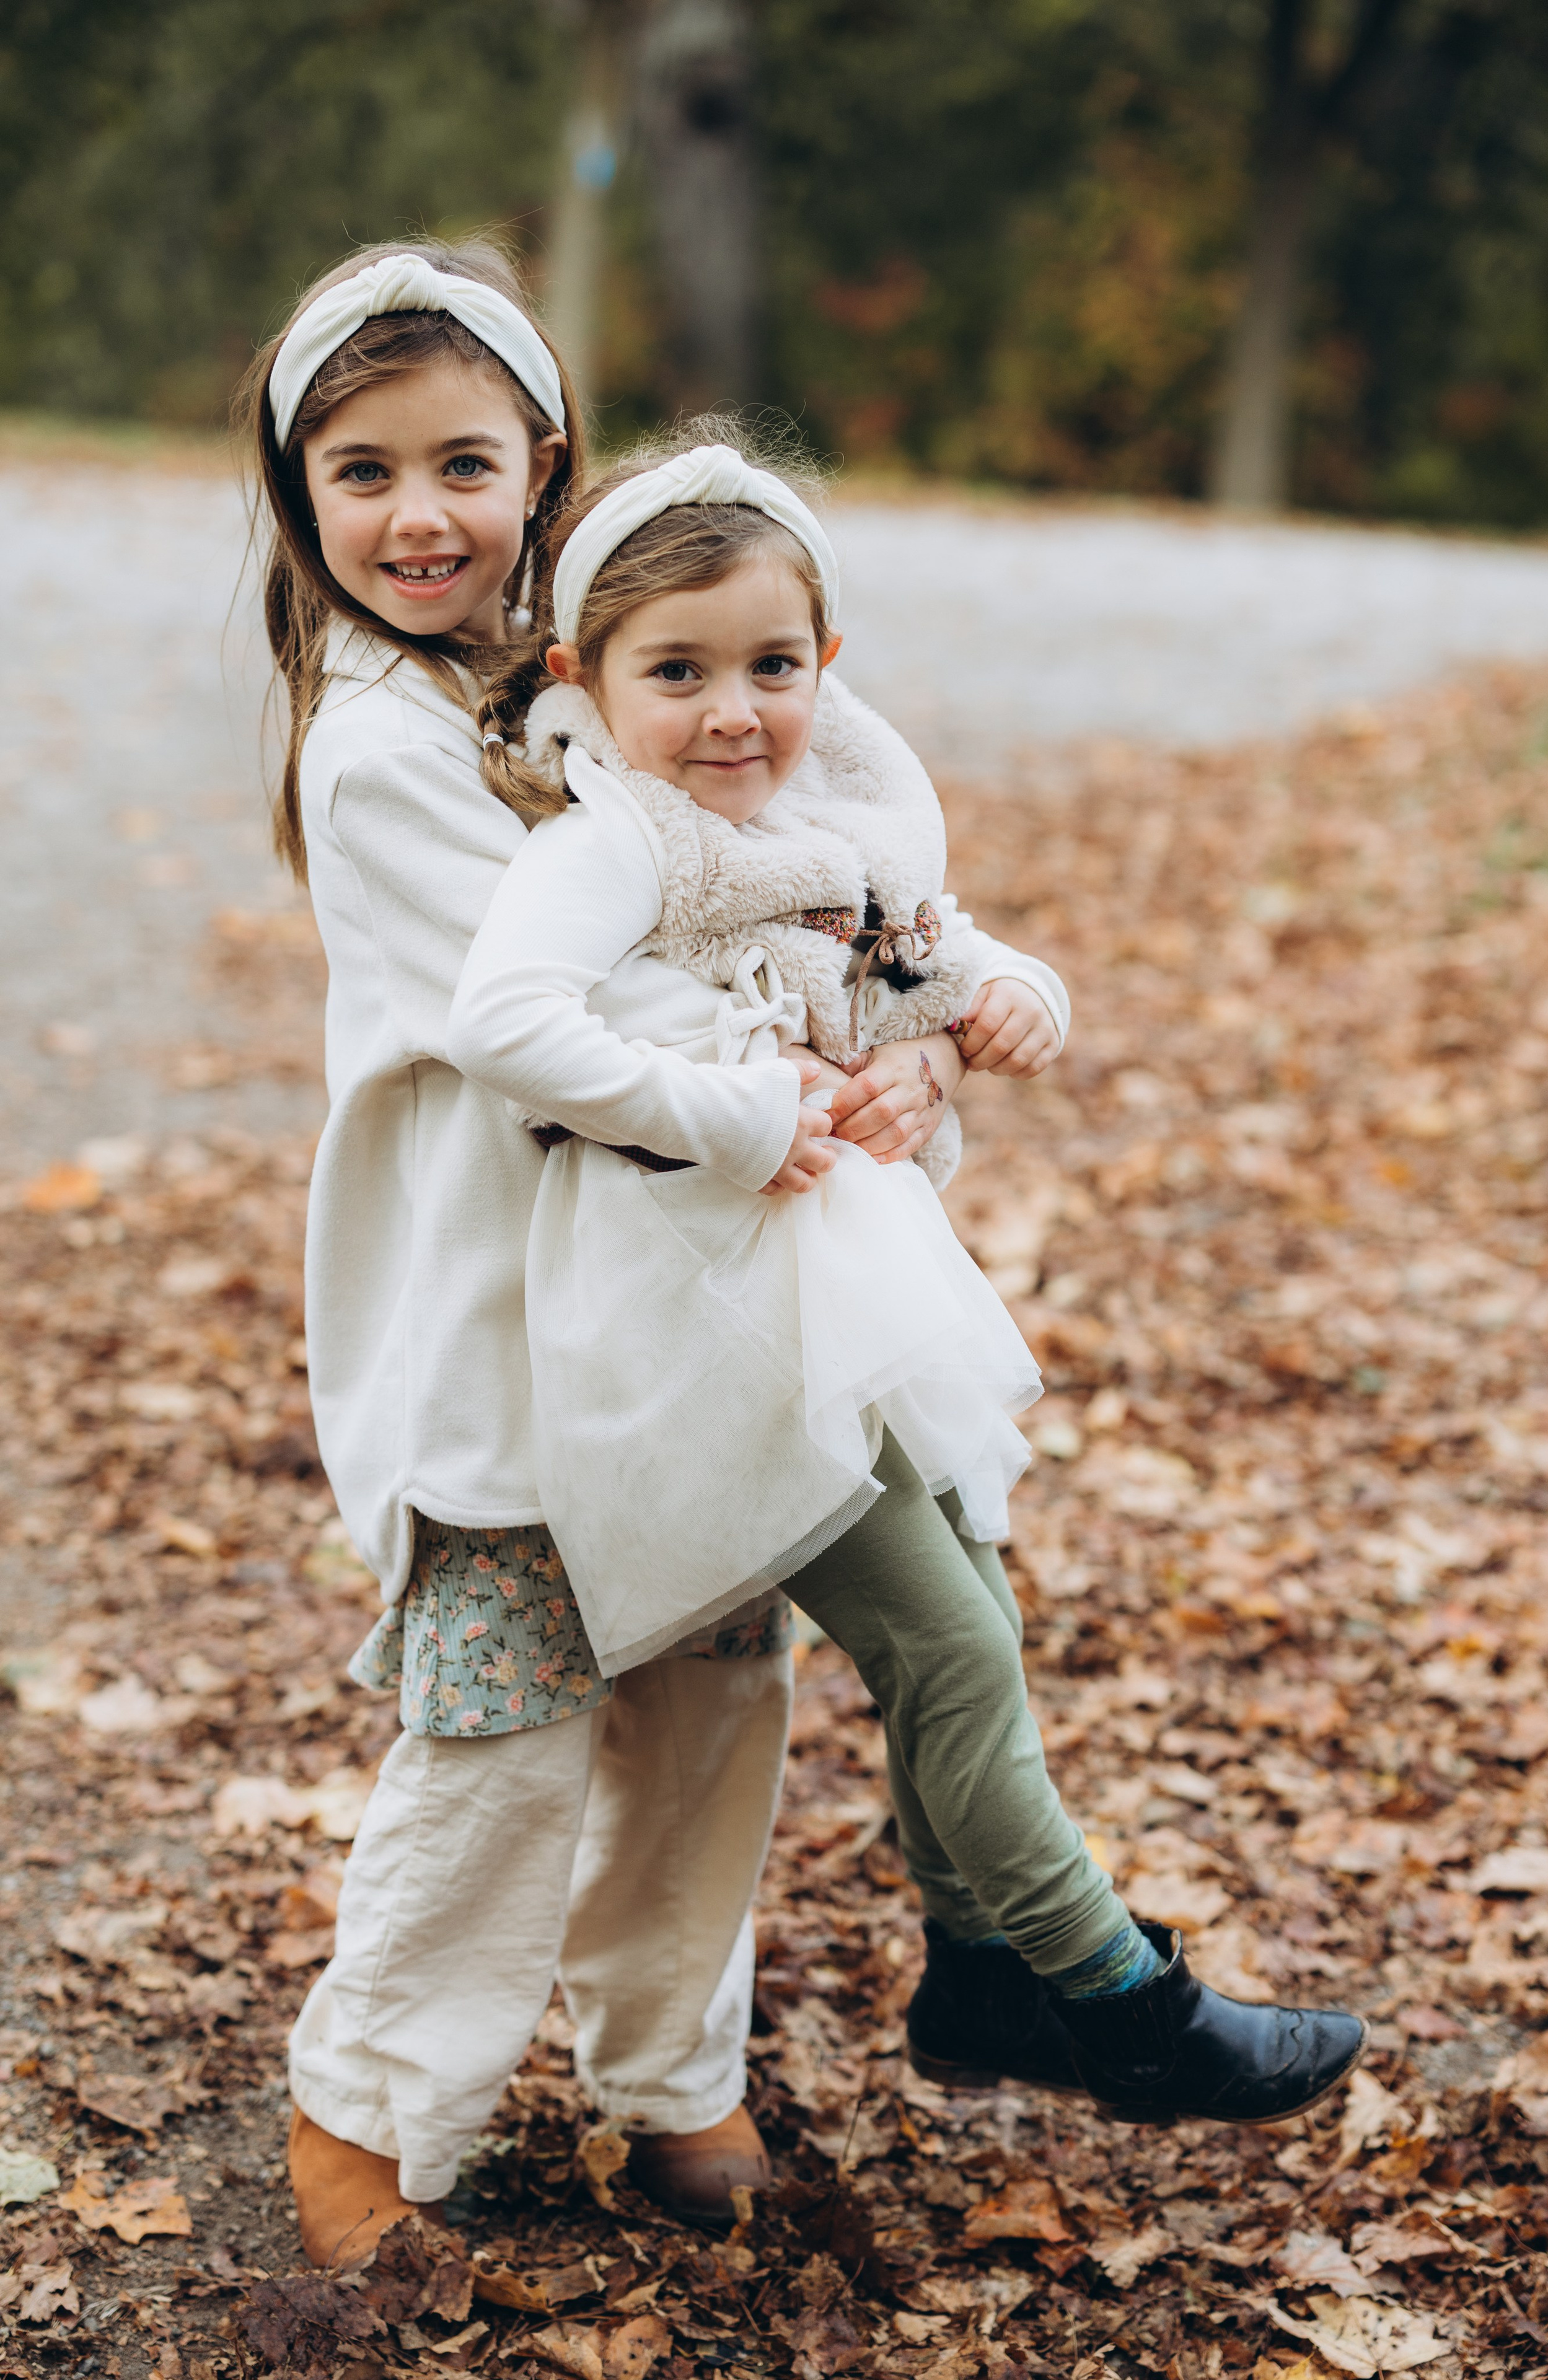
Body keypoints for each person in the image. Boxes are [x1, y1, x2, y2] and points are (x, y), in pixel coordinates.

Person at [237, 240, 1070, 2263]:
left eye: (463, 462)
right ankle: (374, 2108)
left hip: (699, 1301)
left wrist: (915, 1056)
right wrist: (819, 1083)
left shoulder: (621, 664)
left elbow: (817, 880)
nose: (419, 515)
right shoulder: (380, 752)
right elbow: (619, 1022)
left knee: (712, 1697)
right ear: (299, 503)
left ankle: (666, 2070)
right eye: (361, 472)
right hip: (508, 1320)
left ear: (547, 463)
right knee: (504, 1729)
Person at [449, 437, 1370, 2154]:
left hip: (858, 1304)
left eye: (773, 666)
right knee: (946, 1643)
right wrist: (729, 1107)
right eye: (679, 672)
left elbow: (949, 946)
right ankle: (1114, 1995)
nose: (734, 712)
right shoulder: (616, 844)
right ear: (588, 681)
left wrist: (1006, 1004)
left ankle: (972, 1973)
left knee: (985, 1605)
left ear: (829, 666)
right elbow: (502, 1024)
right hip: (716, 1331)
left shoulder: (828, 824)